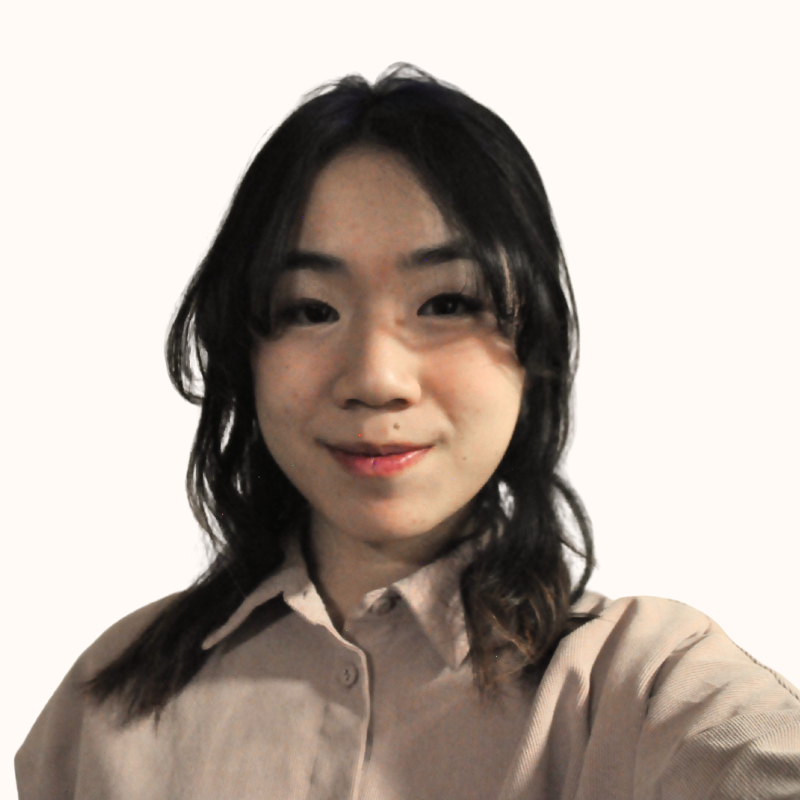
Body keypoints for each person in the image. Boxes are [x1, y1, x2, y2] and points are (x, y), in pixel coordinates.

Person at [15, 63, 800, 799]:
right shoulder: (104, 703)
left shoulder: (644, 683)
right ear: (243, 354)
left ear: (534, 350)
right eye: (310, 310)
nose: (375, 378)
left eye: (446, 304)